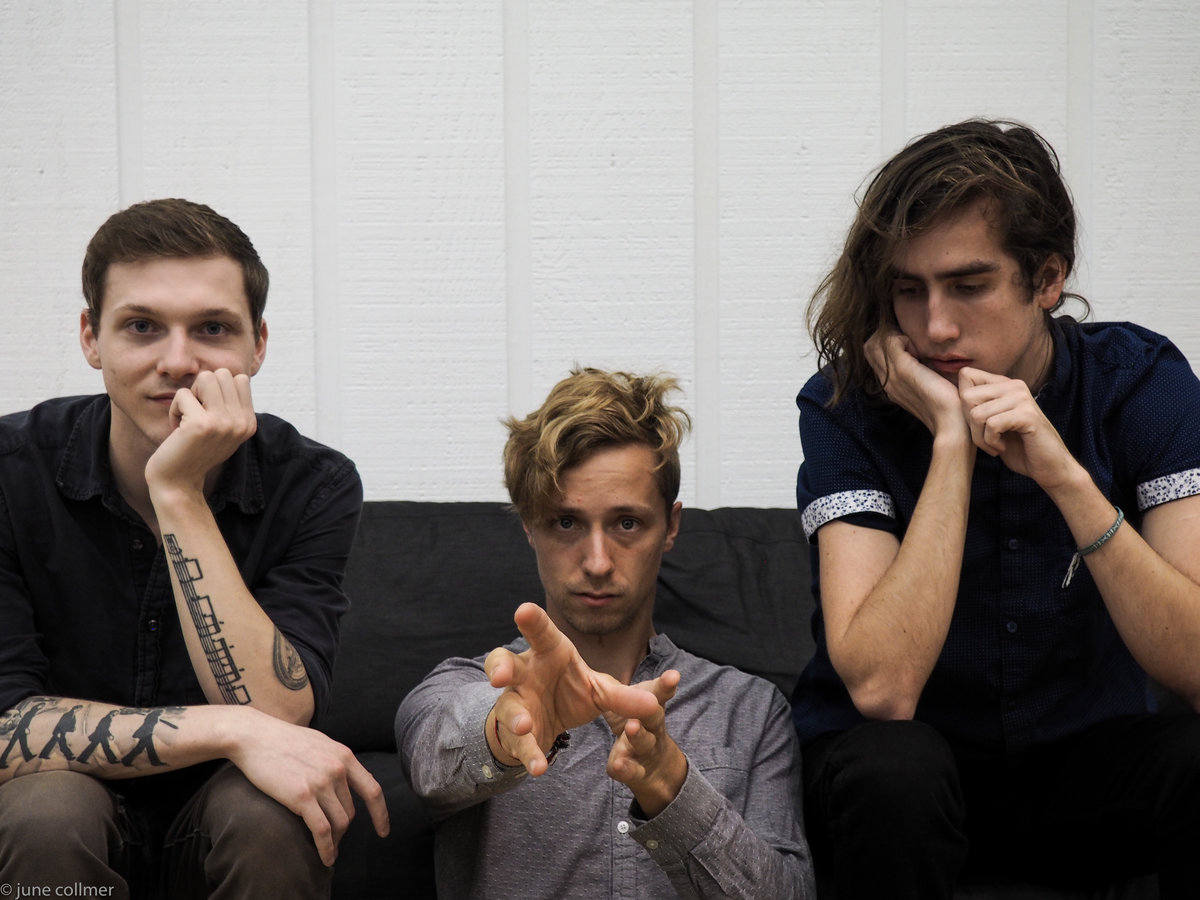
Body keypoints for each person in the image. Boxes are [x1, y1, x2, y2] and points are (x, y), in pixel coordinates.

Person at [792, 118, 1200, 898]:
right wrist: (950, 441)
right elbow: (884, 689)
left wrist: (1067, 480)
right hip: (900, 783)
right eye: (908, 290)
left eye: (968, 286)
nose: (935, 327)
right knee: (897, 771)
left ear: (1046, 279)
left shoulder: (1141, 384)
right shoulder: (847, 409)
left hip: (1081, 774)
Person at [0, 199, 389, 899]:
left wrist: (178, 492)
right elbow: (4, 728)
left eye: (212, 328)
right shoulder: (9, 472)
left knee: (270, 814)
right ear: (91, 338)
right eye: (142, 327)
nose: (177, 362)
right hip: (64, 826)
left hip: (224, 824)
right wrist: (228, 730)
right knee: (48, 810)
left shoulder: (313, 483)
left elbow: (279, 715)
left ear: (257, 345)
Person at [395, 367, 813, 899]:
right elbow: (433, 758)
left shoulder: (751, 711)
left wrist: (670, 785)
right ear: (528, 524)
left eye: (626, 523)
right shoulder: (458, 688)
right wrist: (505, 730)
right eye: (566, 523)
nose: (597, 562)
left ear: (671, 526)